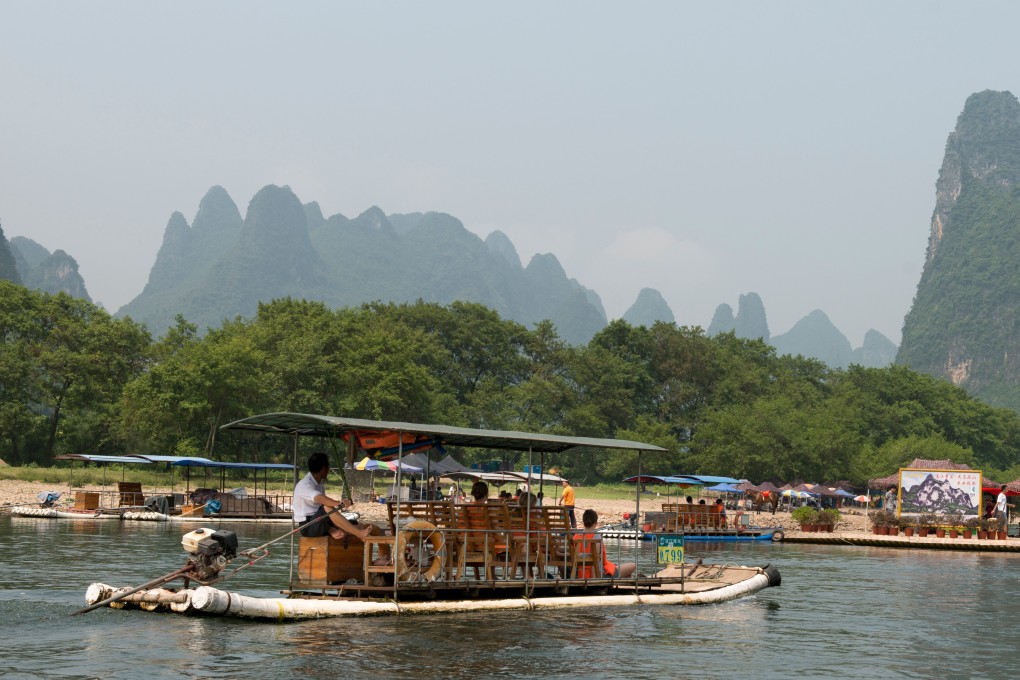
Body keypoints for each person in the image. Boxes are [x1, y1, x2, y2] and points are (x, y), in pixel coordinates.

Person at [293, 452, 372, 542]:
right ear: (324, 469)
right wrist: (338, 503)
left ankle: (383, 555)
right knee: (327, 507)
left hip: (321, 522)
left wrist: (330, 529)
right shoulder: (304, 484)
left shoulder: (319, 484)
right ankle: (359, 534)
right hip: (308, 526)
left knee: (362, 526)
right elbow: (319, 498)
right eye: (328, 467)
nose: (329, 470)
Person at [575, 509, 635, 578]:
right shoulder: (596, 537)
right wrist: (593, 579)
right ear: (595, 523)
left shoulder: (576, 536)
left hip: (580, 572)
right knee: (633, 566)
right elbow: (595, 560)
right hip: (599, 574)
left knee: (618, 569)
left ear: (583, 521)